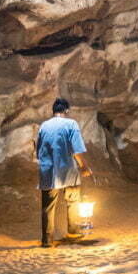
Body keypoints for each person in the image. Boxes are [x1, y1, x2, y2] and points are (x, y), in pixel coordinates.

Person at [35, 97, 92, 247]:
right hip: (68, 170)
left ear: (53, 111)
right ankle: (73, 233)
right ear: (66, 111)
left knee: (47, 207)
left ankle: (47, 240)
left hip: (48, 171)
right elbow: (77, 150)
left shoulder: (43, 126)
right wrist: (84, 167)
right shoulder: (71, 124)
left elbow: (38, 150)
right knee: (73, 201)